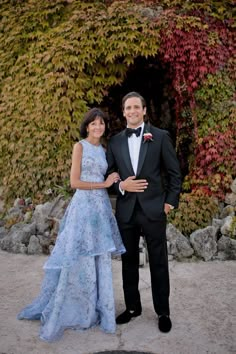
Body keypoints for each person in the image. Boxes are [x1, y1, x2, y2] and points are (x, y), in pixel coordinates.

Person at [17, 108, 125, 342]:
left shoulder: (104, 151)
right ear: (87, 127)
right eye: (93, 124)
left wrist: (114, 180)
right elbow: (74, 182)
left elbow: (108, 177)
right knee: (80, 258)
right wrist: (103, 184)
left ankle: (100, 310)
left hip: (100, 209)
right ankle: (80, 311)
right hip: (83, 207)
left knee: (99, 258)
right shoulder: (80, 147)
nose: (98, 127)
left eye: (101, 124)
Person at [106, 92, 182, 333]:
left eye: (136, 107)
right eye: (128, 108)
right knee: (128, 263)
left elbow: (174, 173)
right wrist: (121, 186)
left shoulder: (160, 137)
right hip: (126, 211)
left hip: (154, 210)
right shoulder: (116, 141)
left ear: (144, 110)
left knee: (158, 263)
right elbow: (107, 176)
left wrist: (169, 202)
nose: (132, 111)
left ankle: (163, 311)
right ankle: (132, 308)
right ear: (123, 111)